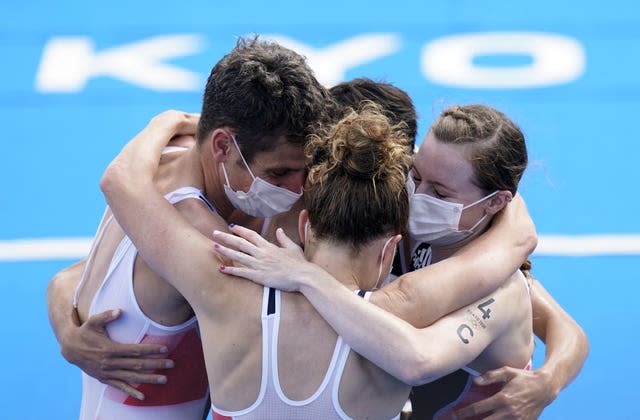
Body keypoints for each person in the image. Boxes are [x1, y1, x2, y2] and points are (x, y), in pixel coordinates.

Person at [210, 104, 589, 419]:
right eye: (416, 175)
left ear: (494, 203)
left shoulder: (497, 280)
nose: (416, 196)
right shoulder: (414, 229)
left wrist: (549, 381)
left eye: (439, 191)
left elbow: (564, 328)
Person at [46, 36, 333, 418]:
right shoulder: (189, 225)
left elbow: (69, 278)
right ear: (222, 146)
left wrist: (67, 327)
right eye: (279, 173)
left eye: (304, 170)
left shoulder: (165, 159)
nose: (298, 189)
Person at [101, 104, 417, 417]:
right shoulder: (413, 314)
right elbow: (465, 278)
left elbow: (120, 182)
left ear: (305, 226)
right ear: (390, 249)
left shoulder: (222, 284)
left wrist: (169, 119)